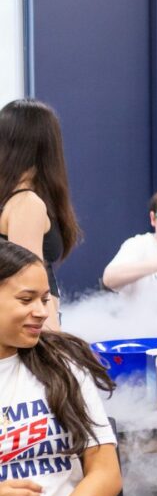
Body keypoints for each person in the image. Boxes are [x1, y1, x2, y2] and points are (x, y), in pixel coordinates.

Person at [0, 241, 122, 496]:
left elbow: (106, 474)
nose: (42, 312)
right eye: (26, 299)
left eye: (44, 299)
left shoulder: (62, 364)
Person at [0, 99, 82, 330]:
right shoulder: (27, 204)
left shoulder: (16, 200)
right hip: (33, 335)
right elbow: (28, 285)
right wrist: (55, 347)